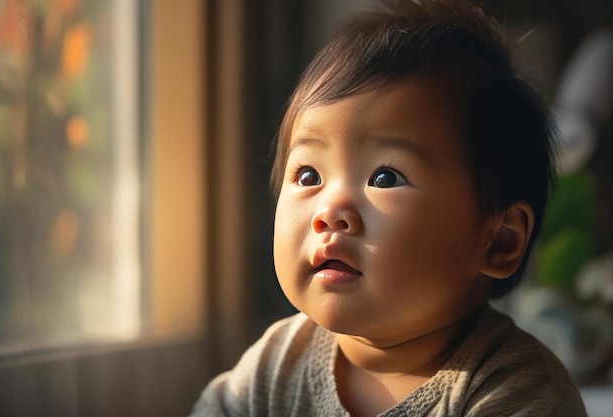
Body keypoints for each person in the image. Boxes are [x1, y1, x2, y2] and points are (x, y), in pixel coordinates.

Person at [191, 0, 588, 415]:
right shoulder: (276, 364)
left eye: (385, 178)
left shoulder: (514, 393)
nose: (331, 210)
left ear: (499, 240)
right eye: (309, 175)